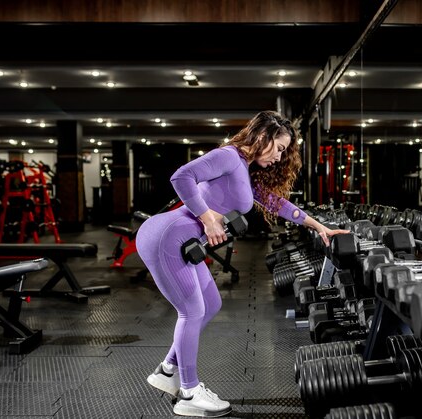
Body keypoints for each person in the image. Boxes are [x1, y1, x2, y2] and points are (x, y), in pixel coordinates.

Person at [135, 110, 349, 417]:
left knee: (210, 303)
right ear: (264, 137)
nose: (280, 156)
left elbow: (278, 204)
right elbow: (182, 176)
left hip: (181, 239)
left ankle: (168, 371)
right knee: (192, 311)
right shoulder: (229, 156)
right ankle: (189, 394)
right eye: (279, 148)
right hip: (168, 235)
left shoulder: (243, 170)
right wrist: (208, 219)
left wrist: (320, 227)